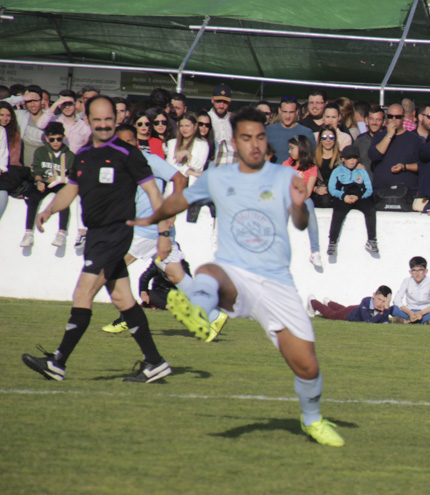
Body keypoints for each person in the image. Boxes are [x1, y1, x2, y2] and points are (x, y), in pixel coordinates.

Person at [130, 106, 345, 447]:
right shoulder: (218, 177)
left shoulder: (284, 178)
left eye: (260, 136)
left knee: (307, 366)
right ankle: (202, 312)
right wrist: (153, 220)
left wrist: (301, 206)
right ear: (235, 141)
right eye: (247, 137)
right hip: (236, 273)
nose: (254, 144)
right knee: (210, 271)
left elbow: (301, 223)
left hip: (277, 284)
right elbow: (181, 198)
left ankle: (311, 420)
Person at [21, 96, 171, 384]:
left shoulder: (128, 154)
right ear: (87, 120)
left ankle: (58, 361)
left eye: (108, 120)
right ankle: (155, 362)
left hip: (116, 234)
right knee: (121, 298)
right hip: (97, 235)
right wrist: (50, 209)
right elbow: (71, 189)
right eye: (97, 120)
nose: (103, 125)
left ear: (115, 120)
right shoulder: (85, 155)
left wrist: (164, 233)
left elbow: (155, 194)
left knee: (83, 293)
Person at [100, 124, 227, 343]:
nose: (127, 145)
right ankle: (214, 315)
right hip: (149, 230)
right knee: (176, 275)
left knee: (111, 269)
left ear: (136, 142)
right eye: (122, 142)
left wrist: (173, 210)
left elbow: (179, 179)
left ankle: (128, 317)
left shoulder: (150, 160)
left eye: (131, 141)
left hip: (150, 230)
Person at [21, 122, 73, 249]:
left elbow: (73, 177)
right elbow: (37, 171)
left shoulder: (70, 155)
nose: (55, 142)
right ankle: (28, 232)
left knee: (64, 200)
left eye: (59, 139)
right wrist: (39, 182)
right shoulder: (40, 151)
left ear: (64, 138)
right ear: (46, 138)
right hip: (45, 182)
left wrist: (60, 178)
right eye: (52, 139)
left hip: (61, 182)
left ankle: (62, 233)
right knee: (33, 197)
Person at [367, 103, 421, 204]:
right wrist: (388, 136)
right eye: (390, 116)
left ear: (403, 118)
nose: (394, 119)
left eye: (398, 117)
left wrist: (404, 167)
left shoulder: (415, 139)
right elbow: (374, 156)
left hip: (406, 195)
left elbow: (421, 165)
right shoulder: (379, 137)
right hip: (381, 193)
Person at [328, 145, 376, 255]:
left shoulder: (362, 172)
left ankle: (372, 240)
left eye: (355, 158)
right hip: (343, 197)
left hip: (359, 196)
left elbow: (369, 189)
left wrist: (359, 196)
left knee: (370, 210)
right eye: (349, 158)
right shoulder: (337, 171)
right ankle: (332, 241)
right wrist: (343, 196)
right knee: (338, 213)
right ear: (343, 159)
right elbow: (332, 188)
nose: (352, 161)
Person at [283, 135, 323, 267]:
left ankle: (315, 251)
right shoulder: (286, 164)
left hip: (302, 198)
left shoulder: (312, 168)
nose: (289, 151)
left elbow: (308, 190)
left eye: (292, 148)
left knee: (310, 209)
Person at [391, 256, 430, 324]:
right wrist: (409, 312)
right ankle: (424, 321)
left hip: (425, 311)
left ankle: (407, 320)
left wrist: (421, 313)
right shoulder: (406, 281)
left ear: (426, 271)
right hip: (410, 311)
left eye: (420, 270)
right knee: (392, 309)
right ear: (410, 272)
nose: (417, 273)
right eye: (414, 270)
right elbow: (396, 300)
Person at [267, 98, 315, 164]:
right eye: (285, 112)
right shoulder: (268, 130)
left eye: (291, 112)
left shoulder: (306, 132)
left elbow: (312, 158)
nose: (288, 116)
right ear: (279, 111)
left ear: (297, 112)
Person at [307, 286, 392, 323]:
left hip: (354, 310)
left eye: (384, 301)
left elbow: (385, 322)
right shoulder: (366, 301)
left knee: (341, 309)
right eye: (379, 299)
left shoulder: (385, 307)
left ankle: (329, 303)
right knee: (332, 315)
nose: (381, 304)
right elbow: (368, 321)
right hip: (349, 314)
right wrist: (381, 314)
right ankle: (313, 302)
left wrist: (386, 308)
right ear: (374, 295)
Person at [207, 84, 236, 167]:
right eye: (218, 101)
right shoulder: (205, 119)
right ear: (212, 100)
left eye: (225, 102)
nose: (221, 105)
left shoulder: (233, 121)